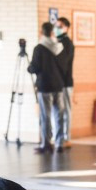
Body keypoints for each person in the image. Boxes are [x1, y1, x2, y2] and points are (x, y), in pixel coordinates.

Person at [28, 22, 67, 154]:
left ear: (41, 32)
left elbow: (35, 67)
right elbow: (64, 67)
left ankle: (46, 144)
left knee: (46, 116)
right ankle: (59, 143)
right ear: (52, 32)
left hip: (45, 86)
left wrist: (29, 67)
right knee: (59, 115)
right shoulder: (60, 47)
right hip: (59, 85)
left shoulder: (39, 48)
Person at [55, 17, 75, 150]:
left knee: (66, 110)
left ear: (66, 27)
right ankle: (59, 136)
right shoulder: (57, 41)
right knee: (59, 112)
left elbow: (64, 62)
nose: (57, 28)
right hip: (57, 82)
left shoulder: (67, 43)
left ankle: (66, 137)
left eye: (60, 26)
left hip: (66, 82)